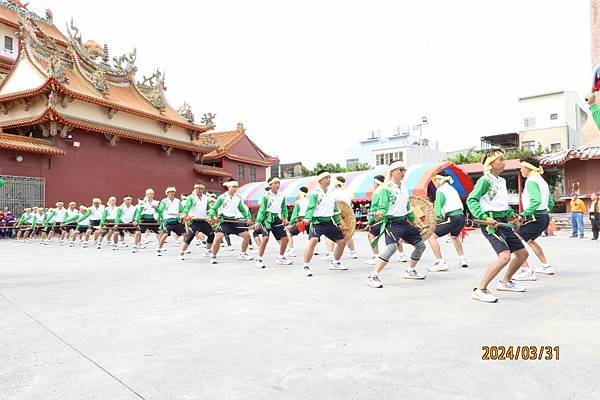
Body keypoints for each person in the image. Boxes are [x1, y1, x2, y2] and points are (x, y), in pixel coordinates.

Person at [466, 149, 529, 303]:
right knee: (505, 257)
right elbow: (471, 200)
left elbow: (501, 204)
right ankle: (480, 290)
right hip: (491, 224)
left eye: (503, 159)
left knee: (522, 254)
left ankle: (505, 282)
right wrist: (483, 217)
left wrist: (513, 215)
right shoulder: (484, 180)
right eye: (500, 159)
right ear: (490, 163)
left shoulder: (501, 181)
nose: (503, 162)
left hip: (503, 222)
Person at [366, 162, 427, 288]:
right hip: (391, 223)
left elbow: (407, 207)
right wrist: (379, 214)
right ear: (393, 171)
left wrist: (415, 222)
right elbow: (383, 207)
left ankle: (410, 270)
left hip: (404, 222)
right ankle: (373, 276)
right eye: (401, 170)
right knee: (392, 248)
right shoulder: (385, 188)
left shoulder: (404, 187)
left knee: (421, 246)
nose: (404, 172)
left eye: (404, 170)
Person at [512, 157, 555, 281]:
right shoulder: (541, 181)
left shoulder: (531, 181)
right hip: (543, 217)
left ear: (527, 168)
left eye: (521, 168)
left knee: (514, 239)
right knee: (530, 240)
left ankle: (526, 270)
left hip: (534, 217)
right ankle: (546, 266)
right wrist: (544, 212)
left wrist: (523, 214)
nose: (520, 170)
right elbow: (550, 202)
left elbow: (536, 201)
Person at [301, 171, 348, 277]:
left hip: (329, 222)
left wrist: (338, 222)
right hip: (317, 222)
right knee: (313, 241)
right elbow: (311, 207)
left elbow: (335, 210)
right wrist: (307, 218)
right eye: (326, 177)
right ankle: (305, 266)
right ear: (320, 180)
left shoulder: (332, 194)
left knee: (342, 242)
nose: (329, 179)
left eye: (329, 177)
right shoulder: (314, 193)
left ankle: (335, 263)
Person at [427, 172, 469, 272]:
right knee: (454, 236)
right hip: (461, 216)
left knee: (431, 236)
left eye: (435, 180)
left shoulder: (440, 190)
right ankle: (462, 259)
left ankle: (440, 262)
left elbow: (437, 212)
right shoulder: (452, 189)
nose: (435, 182)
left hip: (452, 217)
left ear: (440, 179)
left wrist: (432, 222)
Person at [208, 180, 254, 264]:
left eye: (236, 187)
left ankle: (243, 254)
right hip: (223, 221)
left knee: (247, 236)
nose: (235, 188)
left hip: (234, 221)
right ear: (229, 187)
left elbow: (243, 210)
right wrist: (211, 216)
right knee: (218, 237)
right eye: (234, 187)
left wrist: (247, 218)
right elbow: (213, 209)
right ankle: (213, 256)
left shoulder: (237, 198)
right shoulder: (221, 197)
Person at [253, 176, 293, 268]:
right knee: (265, 238)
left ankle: (281, 257)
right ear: (270, 185)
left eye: (279, 183)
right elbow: (262, 210)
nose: (278, 185)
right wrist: (258, 221)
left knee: (286, 238)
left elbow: (283, 208)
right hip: (266, 219)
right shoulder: (265, 196)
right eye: (275, 183)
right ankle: (259, 259)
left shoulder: (282, 195)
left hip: (276, 218)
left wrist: (285, 218)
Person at [321, 176, 358, 260]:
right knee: (348, 233)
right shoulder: (348, 192)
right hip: (347, 215)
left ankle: (331, 253)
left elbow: (330, 205)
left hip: (336, 214)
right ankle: (353, 252)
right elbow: (350, 205)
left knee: (329, 234)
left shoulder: (332, 193)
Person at [179, 182, 215, 260]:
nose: (200, 190)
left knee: (211, 235)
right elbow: (187, 207)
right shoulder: (190, 197)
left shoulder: (206, 197)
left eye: (201, 188)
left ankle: (208, 251)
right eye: (198, 188)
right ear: (195, 189)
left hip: (204, 221)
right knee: (190, 237)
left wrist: (210, 216)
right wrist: (185, 214)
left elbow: (209, 209)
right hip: (194, 221)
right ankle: (181, 252)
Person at [155, 187, 186, 256]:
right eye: (170, 192)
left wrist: (182, 214)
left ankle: (183, 249)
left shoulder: (177, 201)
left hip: (176, 221)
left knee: (185, 235)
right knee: (165, 235)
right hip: (167, 221)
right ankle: (158, 249)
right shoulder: (164, 201)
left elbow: (182, 210)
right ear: (167, 194)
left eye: (173, 192)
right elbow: (160, 210)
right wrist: (155, 208)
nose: (171, 193)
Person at [365, 175, 386, 265]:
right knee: (393, 236)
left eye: (373, 182)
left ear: (376, 182)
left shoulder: (377, 192)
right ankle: (402, 255)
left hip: (380, 218)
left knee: (371, 235)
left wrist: (370, 221)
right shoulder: (387, 190)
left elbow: (374, 208)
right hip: (389, 216)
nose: (373, 184)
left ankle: (376, 256)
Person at [286, 186, 310, 257]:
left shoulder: (298, 202)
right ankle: (315, 249)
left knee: (289, 233)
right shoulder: (310, 200)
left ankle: (292, 251)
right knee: (313, 235)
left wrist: (290, 223)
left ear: (301, 193)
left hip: (301, 221)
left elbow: (294, 214)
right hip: (310, 220)